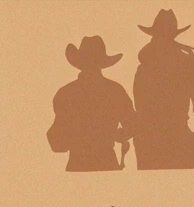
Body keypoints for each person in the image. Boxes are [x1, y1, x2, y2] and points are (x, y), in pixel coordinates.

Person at [132, 9, 194, 169]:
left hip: (148, 142)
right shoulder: (187, 65)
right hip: (178, 137)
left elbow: (140, 107)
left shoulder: (144, 68)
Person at [47, 36, 134, 171]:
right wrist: (116, 135)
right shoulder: (115, 90)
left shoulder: (66, 93)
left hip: (77, 165)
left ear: (80, 63)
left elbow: (57, 143)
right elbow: (132, 125)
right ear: (101, 63)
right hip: (107, 163)